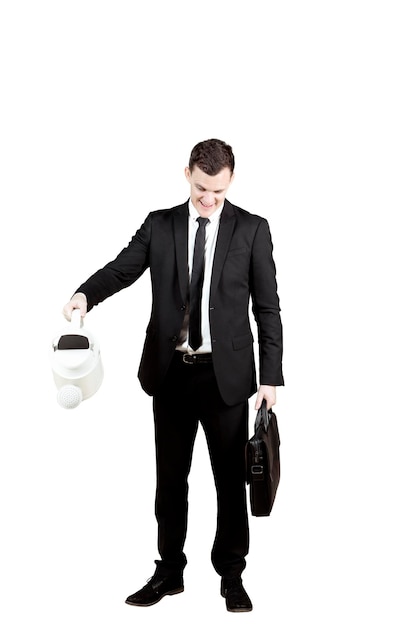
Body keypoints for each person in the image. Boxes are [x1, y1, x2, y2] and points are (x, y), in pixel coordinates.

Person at [62, 138, 284, 613]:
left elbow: (268, 307)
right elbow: (122, 269)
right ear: (186, 174)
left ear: (230, 182)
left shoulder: (252, 229)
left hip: (226, 378)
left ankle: (231, 574)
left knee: (229, 480)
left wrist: (272, 376)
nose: (209, 199)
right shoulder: (159, 226)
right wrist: (85, 295)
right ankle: (169, 571)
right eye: (202, 188)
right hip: (171, 375)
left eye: (219, 192)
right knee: (170, 480)